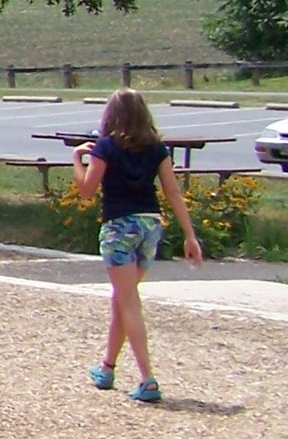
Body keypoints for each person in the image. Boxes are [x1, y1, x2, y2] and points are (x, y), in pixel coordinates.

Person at [73, 87, 200, 404]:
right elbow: (172, 192)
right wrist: (189, 234)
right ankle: (107, 367)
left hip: (119, 226)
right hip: (149, 225)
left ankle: (148, 378)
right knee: (123, 298)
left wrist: (77, 159)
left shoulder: (105, 147)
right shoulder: (157, 148)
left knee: (129, 302)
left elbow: (87, 189)